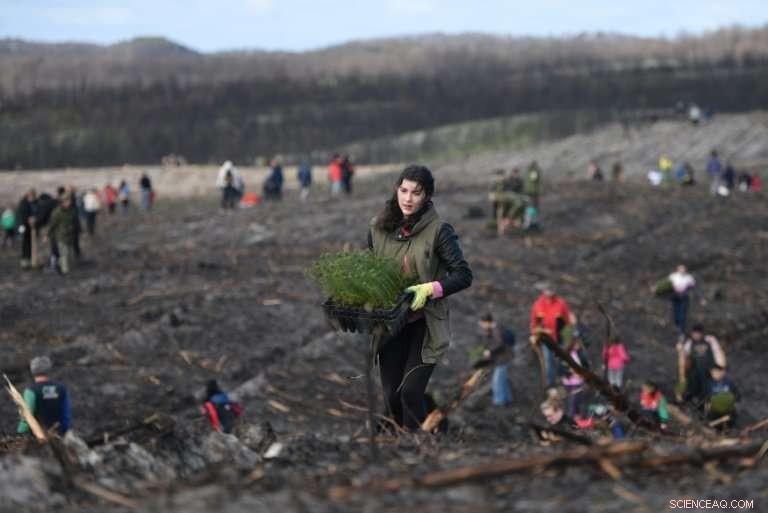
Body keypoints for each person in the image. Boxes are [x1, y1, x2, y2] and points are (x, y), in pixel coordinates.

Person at [367, 165, 473, 430]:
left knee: (410, 393)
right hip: (391, 323)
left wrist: (428, 289)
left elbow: (463, 274)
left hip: (424, 324)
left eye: (416, 193)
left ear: (427, 196)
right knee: (391, 399)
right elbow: (366, 270)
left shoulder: (439, 231)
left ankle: (420, 447)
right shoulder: (379, 229)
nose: (408, 198)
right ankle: (408, 445)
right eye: (403, 190)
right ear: (396, 190)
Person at [530, 282, 577, 388]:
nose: (549, 292)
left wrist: (569, 336)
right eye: (547, 290)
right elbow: (533, 322)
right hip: (546, 339)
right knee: (548, 361)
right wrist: (534, 333)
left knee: (562, 359)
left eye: (551, 290)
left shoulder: (561, 304)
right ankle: (549, 385)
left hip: (560, 338)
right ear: (544, 291)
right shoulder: (538, 305)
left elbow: (568, 321)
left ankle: (563, 381)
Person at [17, 356, 71, 435]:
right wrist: (64, 430)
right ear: (48, 369)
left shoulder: (31, 391)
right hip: (58, 434)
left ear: (32, 370)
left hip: (37, 436)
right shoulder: (61, 389)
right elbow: (66, 414)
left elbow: (27, 416)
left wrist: (21, 432)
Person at [677, 324, 726, 406]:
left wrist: (722, 366)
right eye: (694, 333)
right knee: (693, 382)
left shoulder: (710, 340)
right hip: (695, 369)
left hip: (710, 369)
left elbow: (718, 352)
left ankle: (708, 402)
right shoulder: (689, 343)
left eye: (698, 333)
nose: (696, 335)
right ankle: (691, 399)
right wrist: (682, 373)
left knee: (710, 386)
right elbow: (683, 357)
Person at [479, 313, 516, 407]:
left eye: (482, 324)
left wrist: (489, 351)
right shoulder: (496, 328)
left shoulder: (496, 330)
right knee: (503, 379)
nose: (482, 326)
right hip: (504, 358)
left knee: (497, 380)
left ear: (487, 322)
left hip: (503, 359)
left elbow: (499, 343)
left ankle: (499, 401)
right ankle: (508, 398)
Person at [46, 193, 79, 274]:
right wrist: (47, 234)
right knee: (63, 253)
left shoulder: (72, 210)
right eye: (66, 201)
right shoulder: (57, 212)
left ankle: (61, 266)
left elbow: (76, 221)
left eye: (69, 201)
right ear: (62, 202)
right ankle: (65, 270)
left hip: (71, 235)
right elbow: (52, 224)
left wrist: (78, 230)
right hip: (61, 236)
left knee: (70, 254)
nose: (68, 203)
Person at [560, 338, 590, 420]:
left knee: (575, 401)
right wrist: (570, 372)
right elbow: (561, 368)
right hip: (569, 382)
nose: (578, 346)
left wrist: (584, 373)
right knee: (573, 401)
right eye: (576, 344)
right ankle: (572, 419)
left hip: (578, 381)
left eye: (578, 344)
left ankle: (576, 418)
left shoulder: (580, 354)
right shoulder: (566, 355)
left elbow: (586, 365)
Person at [668, 264, 695, 335]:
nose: (682, 270)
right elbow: (668, 284)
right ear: (677, 269)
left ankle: (681, 329)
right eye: (681, 269)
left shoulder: (688, 277)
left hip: (684, 296)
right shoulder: (673, 276)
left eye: (683, 269)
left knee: (682, 313)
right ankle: (677, 325)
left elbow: (692, 286)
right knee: (676, 311)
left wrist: (687, 290)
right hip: (675, 296)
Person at [16, 188, 39, 268]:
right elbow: (21, 217)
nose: (32, 197)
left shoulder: (35, 203)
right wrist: (26, 222)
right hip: (24, 227)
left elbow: (37, 212)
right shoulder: (24, 204)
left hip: (32, 227)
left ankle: (32, 259)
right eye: (31, 196)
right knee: (25, 244)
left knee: (31, 244)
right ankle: (25, 261)